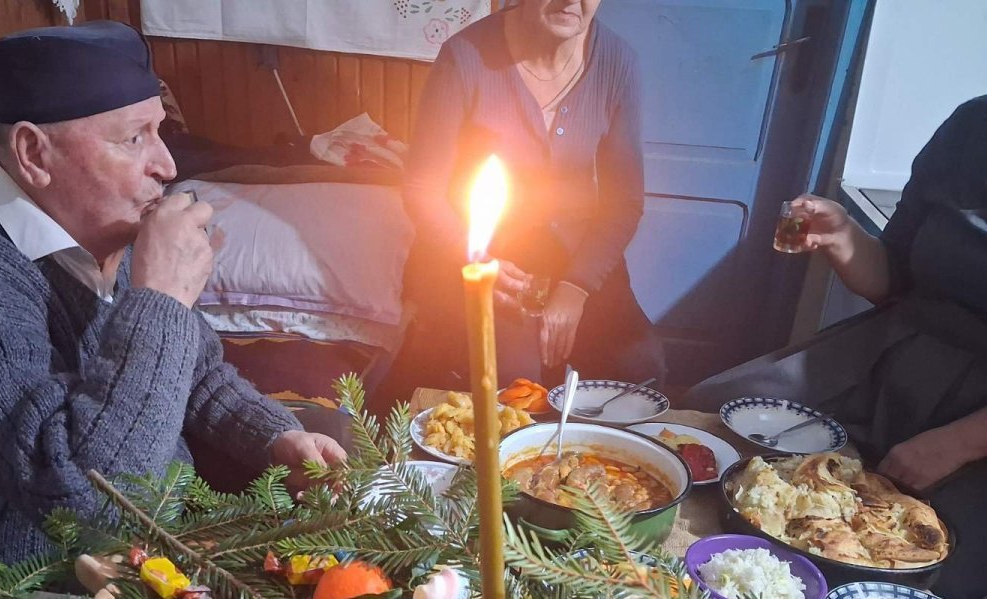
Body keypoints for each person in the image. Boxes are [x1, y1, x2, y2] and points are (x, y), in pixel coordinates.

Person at [0, 21, 345, 564]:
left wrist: (274, 438)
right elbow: (91, 509)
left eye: (159, 131)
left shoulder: (101, 217)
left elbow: (196, 372)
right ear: (33, 154)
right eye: (134, 138)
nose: (167, 166)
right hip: (19, 571)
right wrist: (161, 300)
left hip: (154, 532)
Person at [683, 96, 987, 598]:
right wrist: (842, 235)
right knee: (713, 413)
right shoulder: (971, 124)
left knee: (934, 566)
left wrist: (957, 444)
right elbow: (894, 278)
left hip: (976, 423)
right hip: (895, 353)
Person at [403, 0, 665, 388]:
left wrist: (576, 287)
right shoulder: (465, 56)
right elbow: (423, 188)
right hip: (488, 256)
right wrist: (478, 261)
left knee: (639, 366)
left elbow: (624, 203)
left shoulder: (618, 62)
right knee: (515, 378)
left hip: (580, 254)